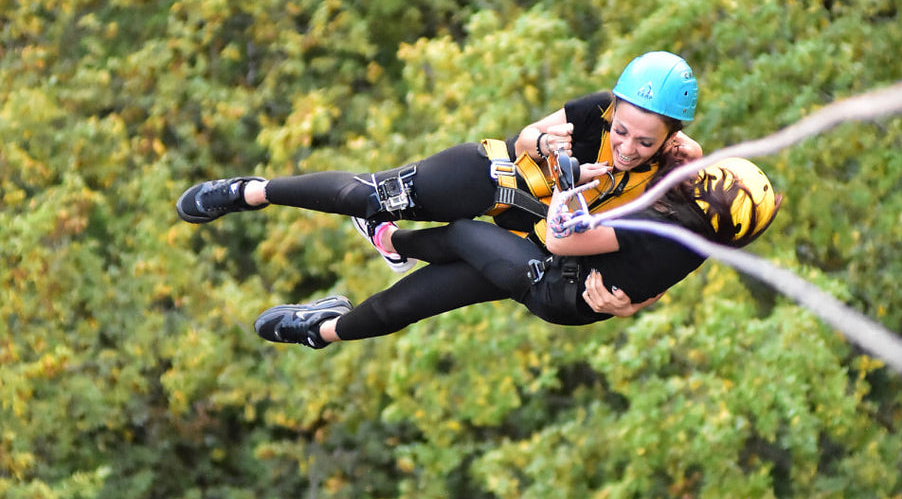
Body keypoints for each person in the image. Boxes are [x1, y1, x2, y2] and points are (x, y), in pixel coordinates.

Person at [176, 52, 702, 275]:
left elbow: (666, 235)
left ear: (671, 137)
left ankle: (385, 239)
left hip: (527, 236)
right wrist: (550, 148)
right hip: (493, 179)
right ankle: (251, 191)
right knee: (367, 193)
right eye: (622, 131)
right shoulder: (594, 111)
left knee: (439, 260)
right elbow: (526, 138)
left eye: (646, 141)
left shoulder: (675, 166)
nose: (629, 146)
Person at [251, 157, 782, 349]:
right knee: (411, 304)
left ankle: (389, 239)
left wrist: (569, 193)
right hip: (570, 285)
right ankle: (321, 331)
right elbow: (657, 281)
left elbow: (559, 238)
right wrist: (635, 301)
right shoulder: (698, 238)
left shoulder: (655, 227)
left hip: (554, 279)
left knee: (461, 231)